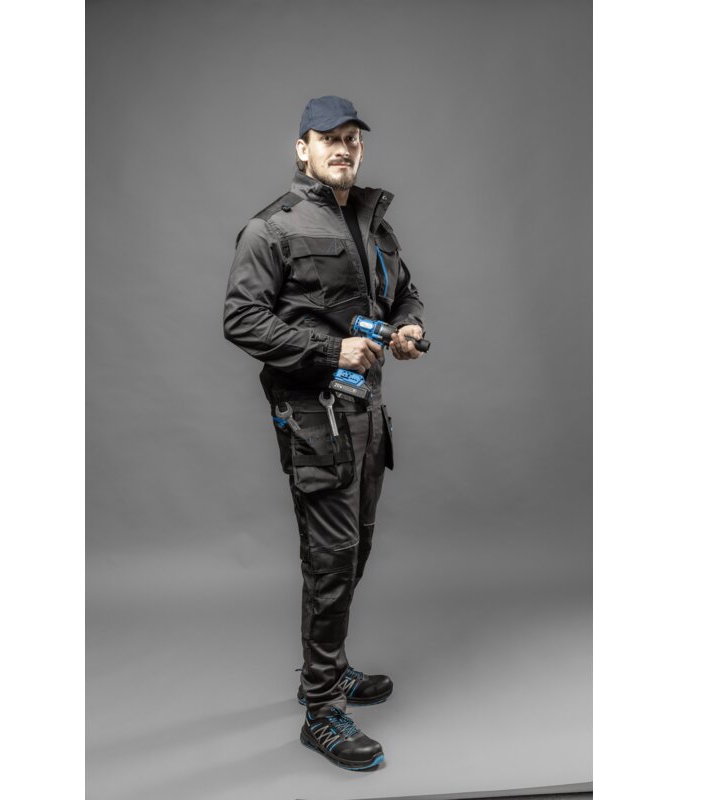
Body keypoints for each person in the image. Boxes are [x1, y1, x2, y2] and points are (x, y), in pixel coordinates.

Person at [223, 95, 426, 771]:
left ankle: (329, 669)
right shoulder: (272, 228)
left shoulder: (371, 221)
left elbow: (403, 293)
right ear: (302, 148)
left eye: (352, 138)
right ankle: (321, 709)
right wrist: (331, 349)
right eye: (328, 138)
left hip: (367, 414)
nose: (342, 148)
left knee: (355, 550)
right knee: (331, 560)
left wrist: (409, 327)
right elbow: (242, 320)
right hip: (315, 419)